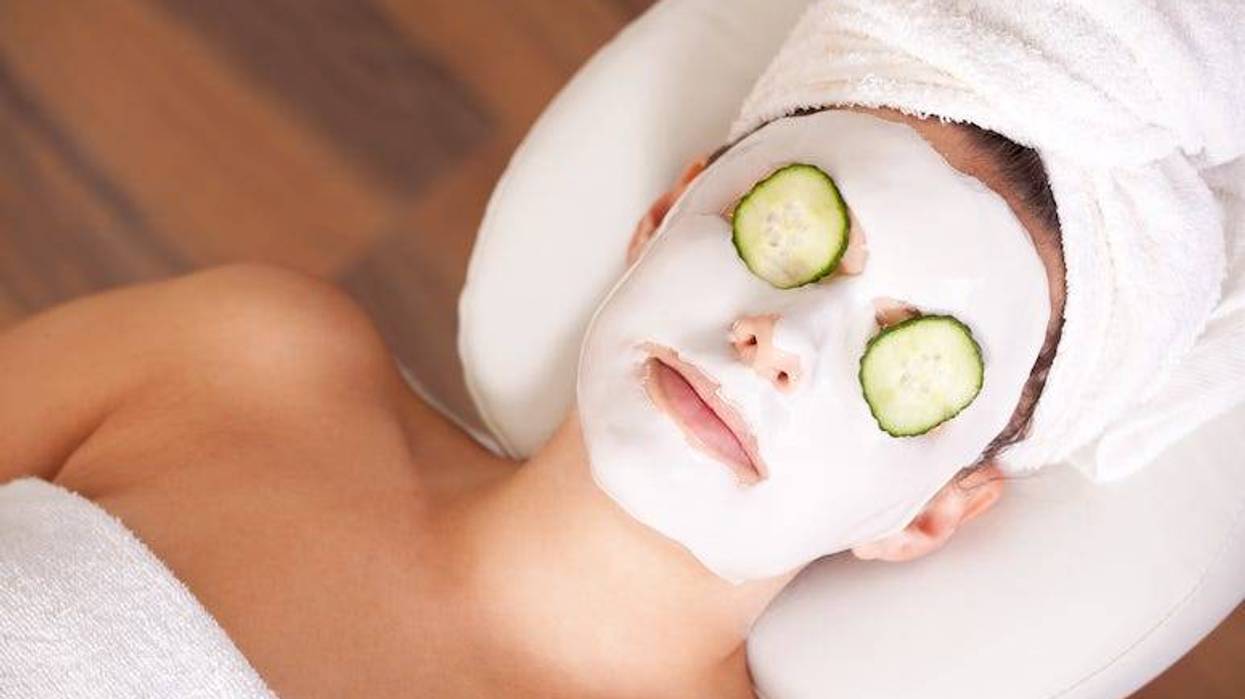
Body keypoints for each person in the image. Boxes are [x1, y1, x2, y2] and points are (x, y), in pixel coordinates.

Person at [0, 103, 1062, 698]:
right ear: (663, 219)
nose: (781, 341)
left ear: (929, 514)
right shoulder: (242, 359)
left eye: (901, 356)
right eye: (785, 236)